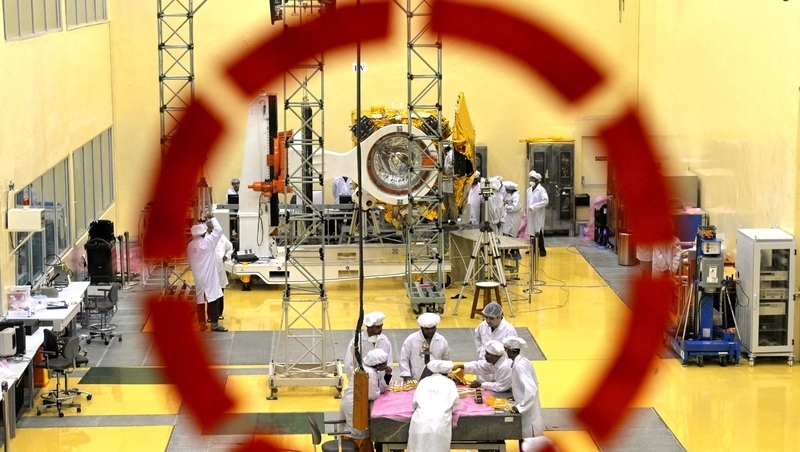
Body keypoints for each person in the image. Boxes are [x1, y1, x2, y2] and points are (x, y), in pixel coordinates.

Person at [339, 348, 392, 452]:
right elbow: (373, 395)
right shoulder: (369, 373)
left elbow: (377, 389)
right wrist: (378, 391)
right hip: (355, 406)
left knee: (354, 429)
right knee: (358, 431)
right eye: (384, 364)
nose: (386, 365)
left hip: (350, 403)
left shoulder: (368, 369)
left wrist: (387, 375)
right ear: (377, 365)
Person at [407, 360, 460, 452]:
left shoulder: (424, 381)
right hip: (440, 425)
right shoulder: (450, 384)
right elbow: (455, 404)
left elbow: (414, 403)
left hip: (420, 424)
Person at [186, 215, 228, 332]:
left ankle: (202, 324)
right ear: (204, 233)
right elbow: (218, 230)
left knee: (200, 299)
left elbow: (189, 259)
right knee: (213, 298)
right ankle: (214, 325)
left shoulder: (190, 246)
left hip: (198, 277)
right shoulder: (208, 242)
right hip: (209, 276)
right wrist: (213, 218)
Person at [503, 336, 544, 438]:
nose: (504, 352)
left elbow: (531, 389)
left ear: (509, 350)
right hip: (525, 405)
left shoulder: (520, 366)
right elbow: (521, 385)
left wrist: (520, 407)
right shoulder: (520, 362)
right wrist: (516, 396)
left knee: (529, 439)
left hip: (527, 410)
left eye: (505, 349)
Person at [343, 311, 393, 383]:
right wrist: (356, 383)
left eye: (381, 326)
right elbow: (349, 365)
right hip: (362, 383)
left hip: (382, 384)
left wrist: (386, 382)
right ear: (369, 327)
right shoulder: (357, 341)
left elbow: (389, 362)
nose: (381, 329)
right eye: (378, 327)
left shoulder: (384, 340)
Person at [399, 313, 450, 381]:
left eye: (432, 328)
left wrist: (444, 375)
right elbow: (403, 359)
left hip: (436, 379)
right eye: (427, 329)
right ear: (421, 327)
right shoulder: (411, 339)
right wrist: (407, 376)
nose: (430, 331)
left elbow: (445, 360)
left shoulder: (441, 340)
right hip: (415, 379)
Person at [212, 221, 234, 320]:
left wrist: (227, 256)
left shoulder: (222, 238)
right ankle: (211, 315)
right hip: (210, 269)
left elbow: (230, 248)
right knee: (211, 293)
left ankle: (219, 313)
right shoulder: (207, 238)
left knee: (220, 291)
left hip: (220, 268)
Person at [526, 171, 548, 257]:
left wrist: (534, 206)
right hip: (531, 214)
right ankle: (533, 249)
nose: (531, 180)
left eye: (532, 178)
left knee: (538, 232)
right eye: (530, 178)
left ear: (537, 180)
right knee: (532, 232)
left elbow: (545, 201)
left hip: (538, 214)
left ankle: (542, 250)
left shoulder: (541, 190)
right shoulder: (529, 190)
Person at [442, 143, 456, 225]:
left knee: (452, 202)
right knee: (445, 202)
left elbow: (449, 170)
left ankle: (453, 219)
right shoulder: (446, 155)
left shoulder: (450, 156)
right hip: (446, 183)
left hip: (450, 182)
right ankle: (444, 218)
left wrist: (444, 170)